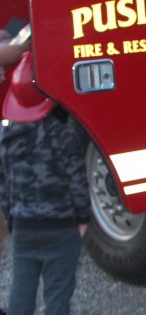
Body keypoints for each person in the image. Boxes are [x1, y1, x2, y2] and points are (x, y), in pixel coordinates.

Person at [1, 52, 90, 315]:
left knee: (21, 290)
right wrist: (83, 219)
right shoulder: (64, 137)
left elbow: (5, 191)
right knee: (58, 294)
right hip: (61, 229)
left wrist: (13, 221)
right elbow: (77, 184)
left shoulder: (6, 141)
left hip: (25, 228)